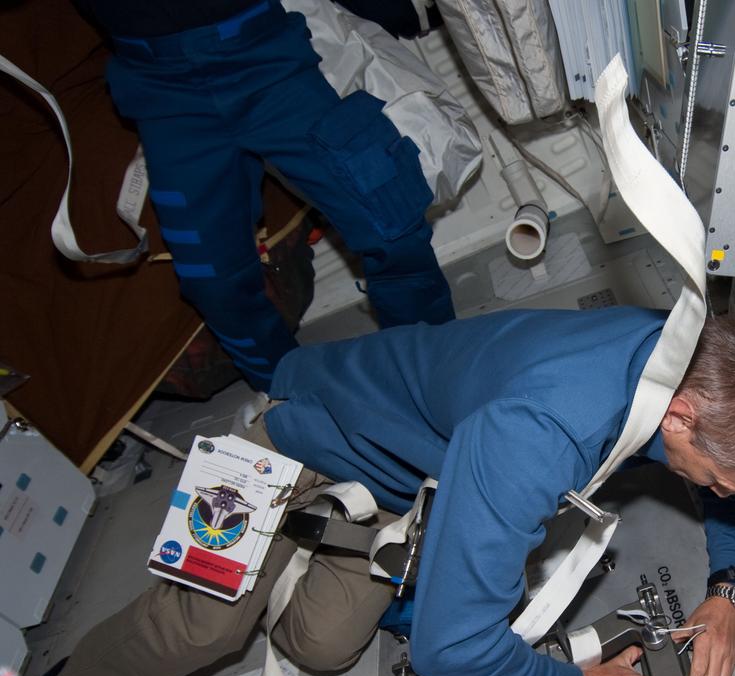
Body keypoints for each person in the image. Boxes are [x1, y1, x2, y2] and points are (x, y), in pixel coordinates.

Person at [52, 307, 735, 676]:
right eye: (722, 479)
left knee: (325, 646)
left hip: (399, 476)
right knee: (201, 633)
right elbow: (449, 648)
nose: (728, 494)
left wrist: (730, 588)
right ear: (682, 418)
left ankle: (283, 563)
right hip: (285, 441)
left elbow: (730, 489)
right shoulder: (538, 439)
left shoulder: (687, 354)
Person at [72, 0, 455, 392]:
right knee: (213, 282)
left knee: (393, 225)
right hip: (161, 91)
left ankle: (429, 376)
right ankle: (287, 397)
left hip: (267, 58)